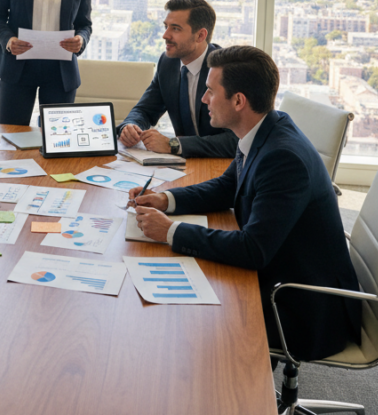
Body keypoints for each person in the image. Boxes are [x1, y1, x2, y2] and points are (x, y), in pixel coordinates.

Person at [130, 46, 361, 361]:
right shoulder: (264, 128)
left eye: (211, 91)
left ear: (239, 101)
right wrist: (166, 199)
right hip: (281, 272)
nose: (204, 99)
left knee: (177, 332)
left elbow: (253, 250)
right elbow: (228, 186)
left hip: (301, 306)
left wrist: (171, 232)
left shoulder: (283, 158)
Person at [117, 0, 237, 158]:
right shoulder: (168, 63)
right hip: (182, 164)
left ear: (200, 35)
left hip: (220, 165)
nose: (165, 35)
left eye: (176, 29)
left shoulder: (227, 70)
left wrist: (173, 145)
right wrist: (130, 126)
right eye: (166, 27)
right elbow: (145, 110)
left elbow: (236, 140)